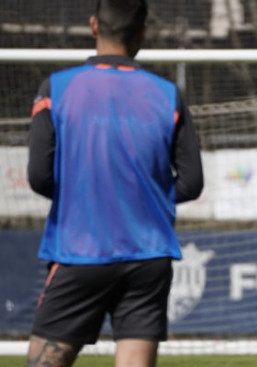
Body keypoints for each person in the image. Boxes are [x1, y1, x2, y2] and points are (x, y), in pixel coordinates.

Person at [25, 0, 203, 366]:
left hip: (79, 249)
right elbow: (192, 183)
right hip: (148, 253)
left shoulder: (56, 88)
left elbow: (39, 176)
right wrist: (145, 201)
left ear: (93, 25)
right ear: (143, 32)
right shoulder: (167, 93)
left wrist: (81, 198)